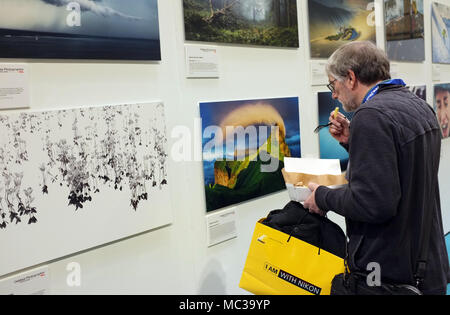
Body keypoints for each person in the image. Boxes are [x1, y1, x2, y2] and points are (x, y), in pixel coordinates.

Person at [304, 41, 450, 295]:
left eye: (333, 85)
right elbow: (402, 171)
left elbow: (372, 203)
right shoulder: (419, 106)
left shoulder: (371, 116)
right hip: (427, 265)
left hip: (391, 275)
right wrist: (353, 142)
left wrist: (322, 196)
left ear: (350, 78)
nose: (334, 95)